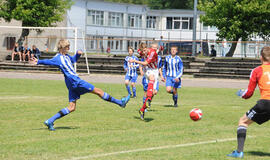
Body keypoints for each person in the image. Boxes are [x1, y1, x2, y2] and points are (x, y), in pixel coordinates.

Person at [29, 39, 130, 131]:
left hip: (71, 84)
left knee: (72, 107)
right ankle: (120, 103)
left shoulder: (66, 56)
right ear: (62, 48)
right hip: (75, 81)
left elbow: (73, 60)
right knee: (98, 91)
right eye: (67, 46)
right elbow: (48, 62)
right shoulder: (58, 58)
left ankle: (50, 121)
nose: (69, 48)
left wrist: (78, 54)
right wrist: (38, 61)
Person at [227, 46, 270, 158]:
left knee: (243, 121)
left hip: (265, 103)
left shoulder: (257, 71)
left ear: (261, 57)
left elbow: (249, 93)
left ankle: (239, 152)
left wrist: (241, 94)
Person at [129, 43, 159, 120]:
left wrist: (135, 61)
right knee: (151, 78)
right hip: (148, 70)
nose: (144, 52)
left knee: (154, 92)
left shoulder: (152, 52)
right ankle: (148, 100)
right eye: (143, 51)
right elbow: (140, 51)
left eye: (145, 50)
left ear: (147, 48)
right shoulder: (141, 51)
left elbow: (145, 63)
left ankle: (142, 110)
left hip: (155, 70)